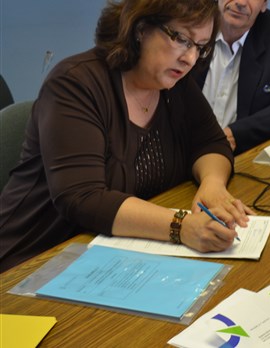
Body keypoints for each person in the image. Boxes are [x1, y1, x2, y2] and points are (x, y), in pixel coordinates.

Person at [0, 0, 255, 273]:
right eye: (182, 39)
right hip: (34, 260)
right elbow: (82, 197)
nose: (190, 59)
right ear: (140, 28)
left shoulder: (174, 84)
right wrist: (181, 225)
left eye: (200, 47)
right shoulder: (75, 83)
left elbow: (211, 142)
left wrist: (212, 186)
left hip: (109, 254)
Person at [191, 0, 270, 155]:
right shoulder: (190, 20)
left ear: (264, 5)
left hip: (238, 156)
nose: (240, 2)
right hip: (180, 150)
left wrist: (234, 134)